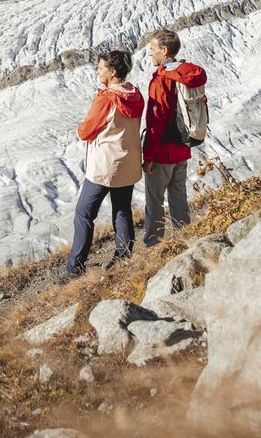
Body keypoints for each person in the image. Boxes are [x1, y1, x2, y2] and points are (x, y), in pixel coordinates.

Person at [63, 49, 145, 278]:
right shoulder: (136, 95)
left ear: (112, 71)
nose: (97, 72)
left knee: (83, 213)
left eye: (100, 68)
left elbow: (86, 131)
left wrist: (81, 126)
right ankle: (123, 257)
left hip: (104, 166)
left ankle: (74, 268)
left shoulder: (106, 98)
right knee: (122, 210)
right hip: (128, 163)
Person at [140, 27, 207, 247]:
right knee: (179, 197)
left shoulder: (162, 79)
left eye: (152, 49)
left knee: (155, 201)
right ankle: (185, 239)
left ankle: (153, 244)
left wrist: (148, 156)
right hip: (183, 148)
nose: (150, 53)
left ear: (164, 50)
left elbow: (156, 120)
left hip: (162, 153)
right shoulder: (186, 74)